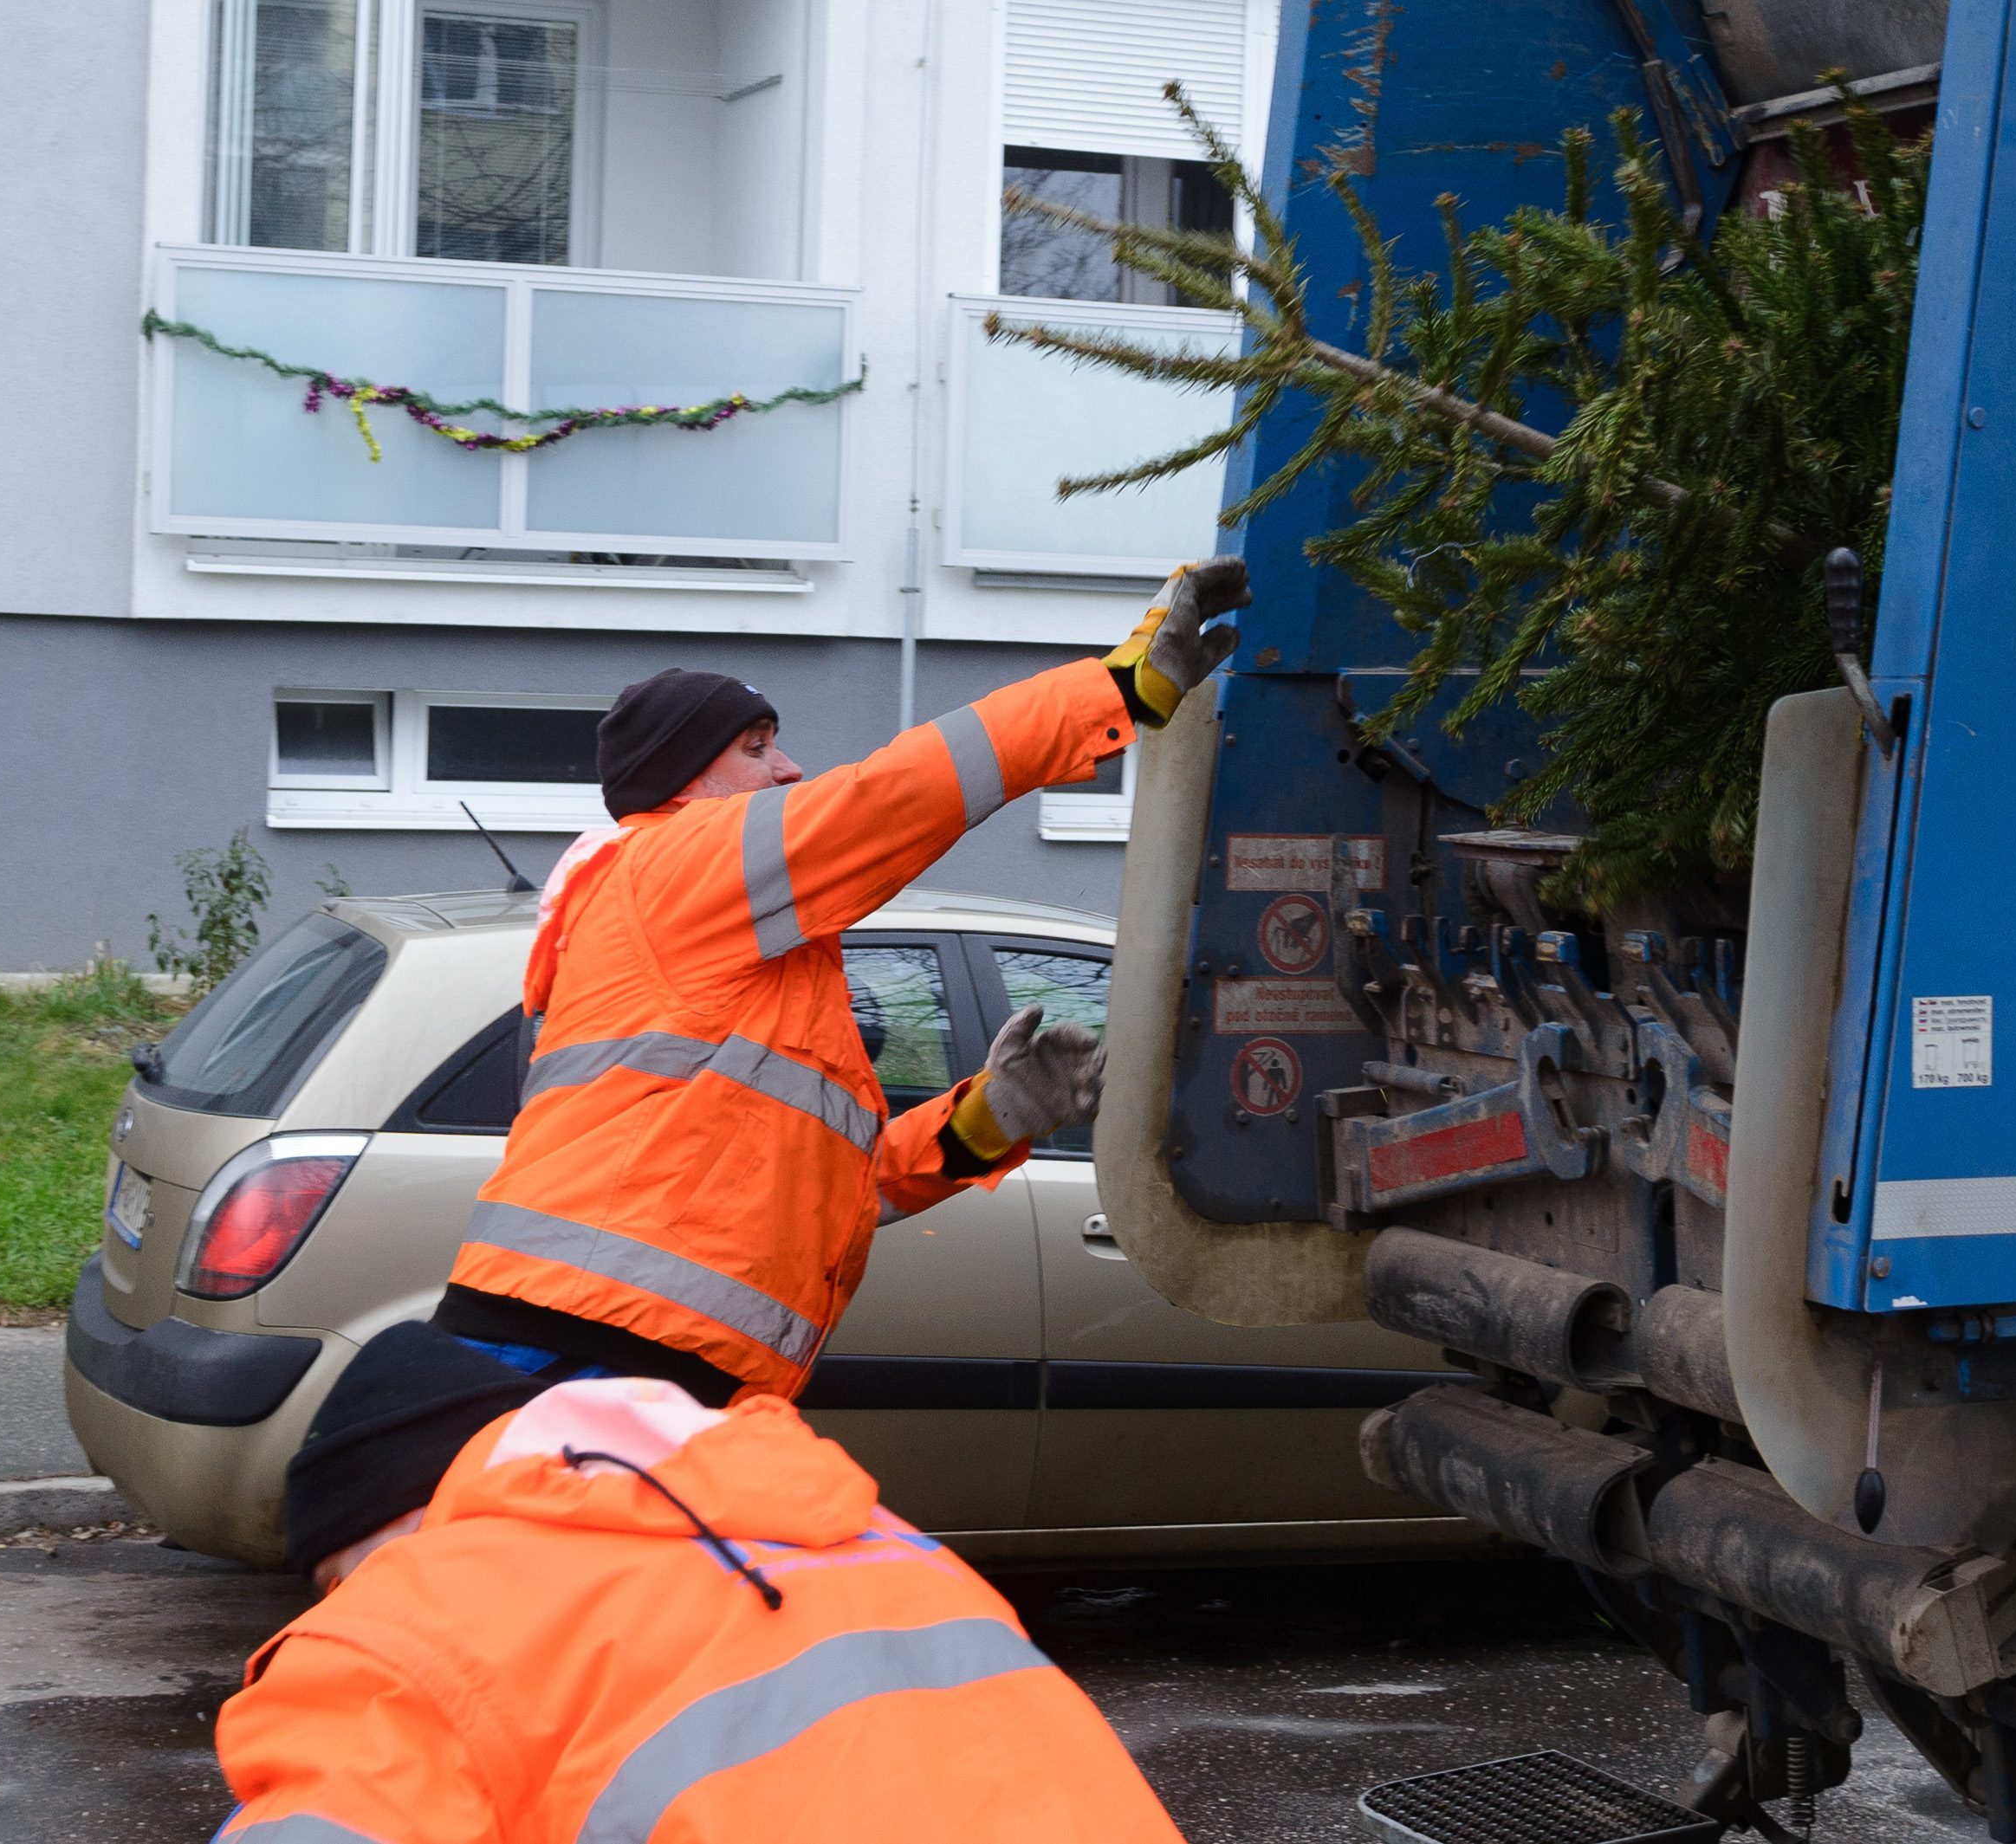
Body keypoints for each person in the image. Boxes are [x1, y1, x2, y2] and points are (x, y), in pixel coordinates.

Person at [432, 560, 1249, 1404]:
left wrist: (988, 1118)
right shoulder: (681, 856)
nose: (787, 768)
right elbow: (895, 795)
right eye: (755, 748)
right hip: (596, 1347)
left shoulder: (731, 950)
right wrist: (1116, 691)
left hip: (616, 1344)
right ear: (684, 780)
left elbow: (829, 1183)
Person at [220, 1323, 1185, 1842]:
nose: (341, 1608)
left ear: (392, 1535)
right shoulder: (882, 1542)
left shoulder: (410, 1625)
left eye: (336, 1581)